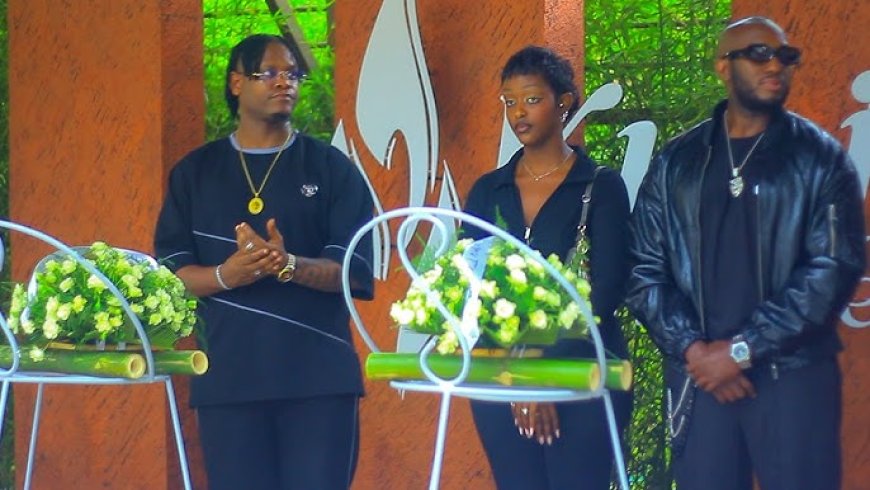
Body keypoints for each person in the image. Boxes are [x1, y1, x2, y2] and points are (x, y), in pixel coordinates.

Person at [627, 17, 865, 490]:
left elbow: (833, 269)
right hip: (703, 380)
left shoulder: (819, 158)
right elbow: (643, 269)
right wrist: (695, 350)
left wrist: (741, 350)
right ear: (723, 66)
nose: (774, 65)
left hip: (791, 378)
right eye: (758, 54)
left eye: (785, 56)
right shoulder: (677, 162)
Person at [154, 34, 374, 490]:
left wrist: (288, 264)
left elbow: (352, 273)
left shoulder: (332, 168)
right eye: (269, 73)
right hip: (228, 382)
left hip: (318, 382)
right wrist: (226, 275)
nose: (284, 83)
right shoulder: (194, 174)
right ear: (236, 83)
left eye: (292, 74)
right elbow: (170, 279)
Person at [462, 45, 633, 489]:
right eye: (509, 102)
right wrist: (519, 380)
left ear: (564, 102)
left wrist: (542, 372)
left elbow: (606, 291)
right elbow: (470, 287)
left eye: (532, 99)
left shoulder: (600, 186)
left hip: (582, 374)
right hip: (500, 382)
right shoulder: (488, 191)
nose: (519, 113)